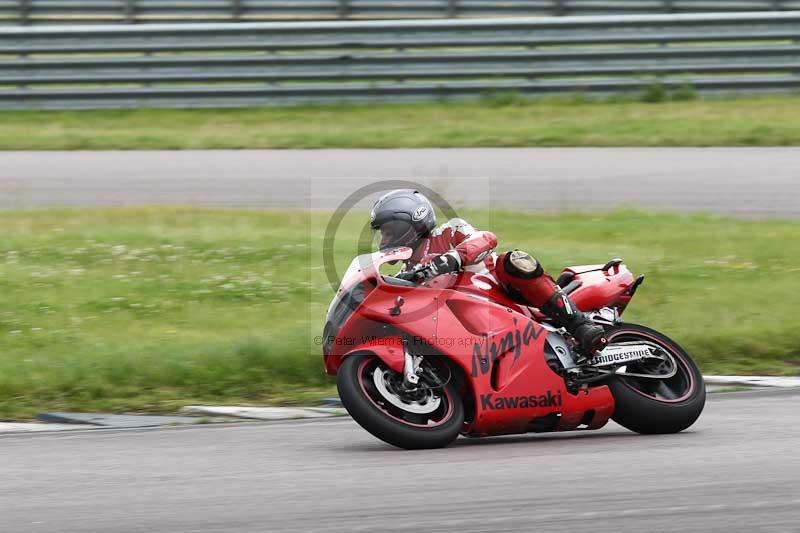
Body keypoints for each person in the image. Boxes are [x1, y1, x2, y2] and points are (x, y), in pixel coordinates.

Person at [369, 189, 606, 355]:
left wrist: (452, 258)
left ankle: (579, 324)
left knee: (513, 261)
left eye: (389, 231)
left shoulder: (449, 232)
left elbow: (485, 238)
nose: (385, 239)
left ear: (411, 223)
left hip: (502, 294)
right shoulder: (406, 275)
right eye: (383, 233)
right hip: (469, 325)